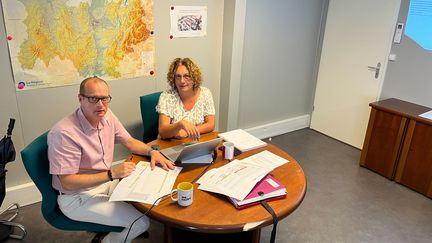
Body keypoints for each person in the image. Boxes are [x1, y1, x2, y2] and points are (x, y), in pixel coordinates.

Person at [48, 76, 175, 243]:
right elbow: (67, 182)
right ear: (80, 99)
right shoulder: (64, 133)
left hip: (103, 183)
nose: (101, 105)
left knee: (150, 190)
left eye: (105, 98)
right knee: (141, 222)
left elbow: (129, 141)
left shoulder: (107, 116)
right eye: (93, 98)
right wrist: (112, 174)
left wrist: (152, 152)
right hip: (77, 197)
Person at [156, 58, 215, 140]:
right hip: (172, 144)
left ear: (194, 77)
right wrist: (181, 124)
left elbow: (211, 124)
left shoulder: (205, 93)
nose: (182, 81)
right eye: (178, 76)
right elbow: (163, 132)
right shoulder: (166, 96)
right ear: (173, 78)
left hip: (196, 142)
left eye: (186, 76)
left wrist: (188, 132)